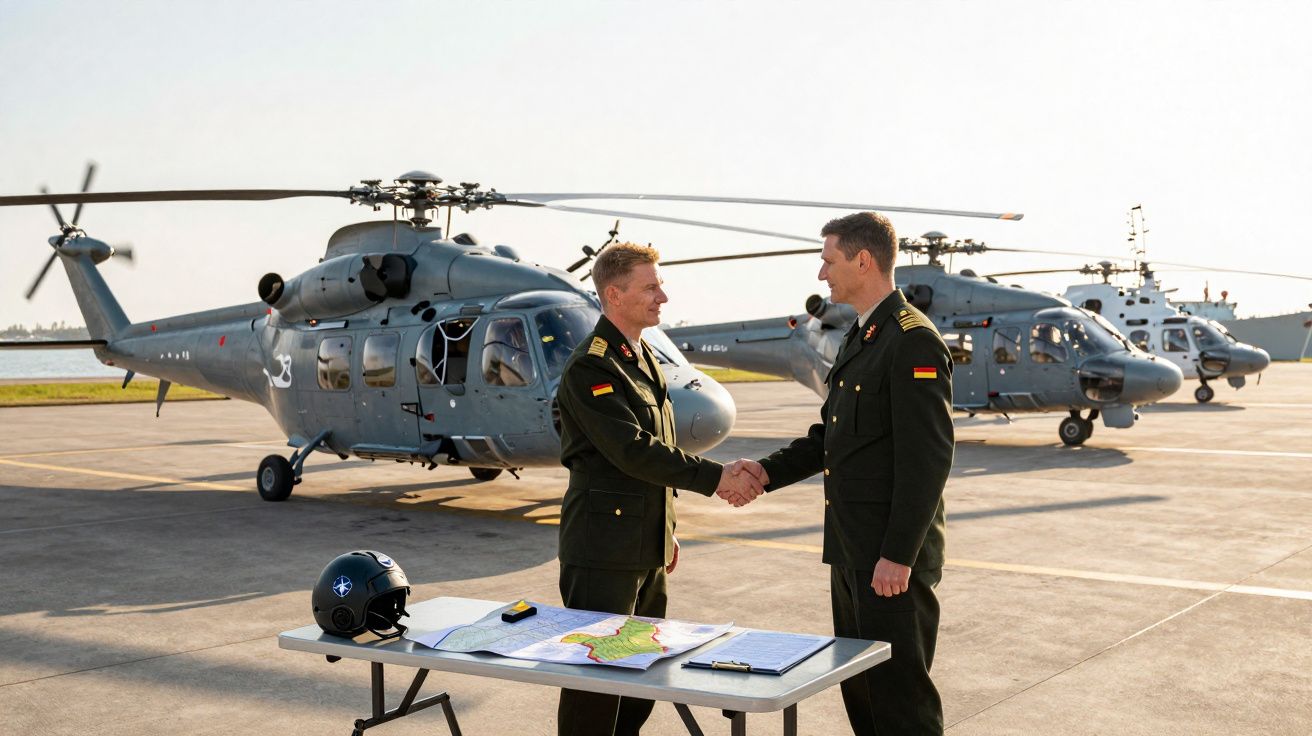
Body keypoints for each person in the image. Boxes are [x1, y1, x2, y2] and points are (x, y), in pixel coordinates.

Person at [745, 212, 954, 735]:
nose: (822, 274)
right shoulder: (864, 336)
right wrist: (764, 472)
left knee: (900, 704)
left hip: (888, 560)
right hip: (853, 552)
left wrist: (898, 554)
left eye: (829, 260)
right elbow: (833, 437)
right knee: (863, 697)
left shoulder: (911, 340)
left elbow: (927, 457)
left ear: (863, 261)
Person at [554, 241, 764, 736]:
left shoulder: (642, 356)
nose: (662, 297)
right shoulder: (592, 366)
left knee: (639, 672)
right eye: (650, 287)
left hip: (644, 545)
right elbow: (632, 450)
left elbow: (658, 450)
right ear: (614, 294)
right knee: (596, 681)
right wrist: (717, 478)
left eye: (660, 286)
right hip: (604, 549)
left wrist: (664, 528)